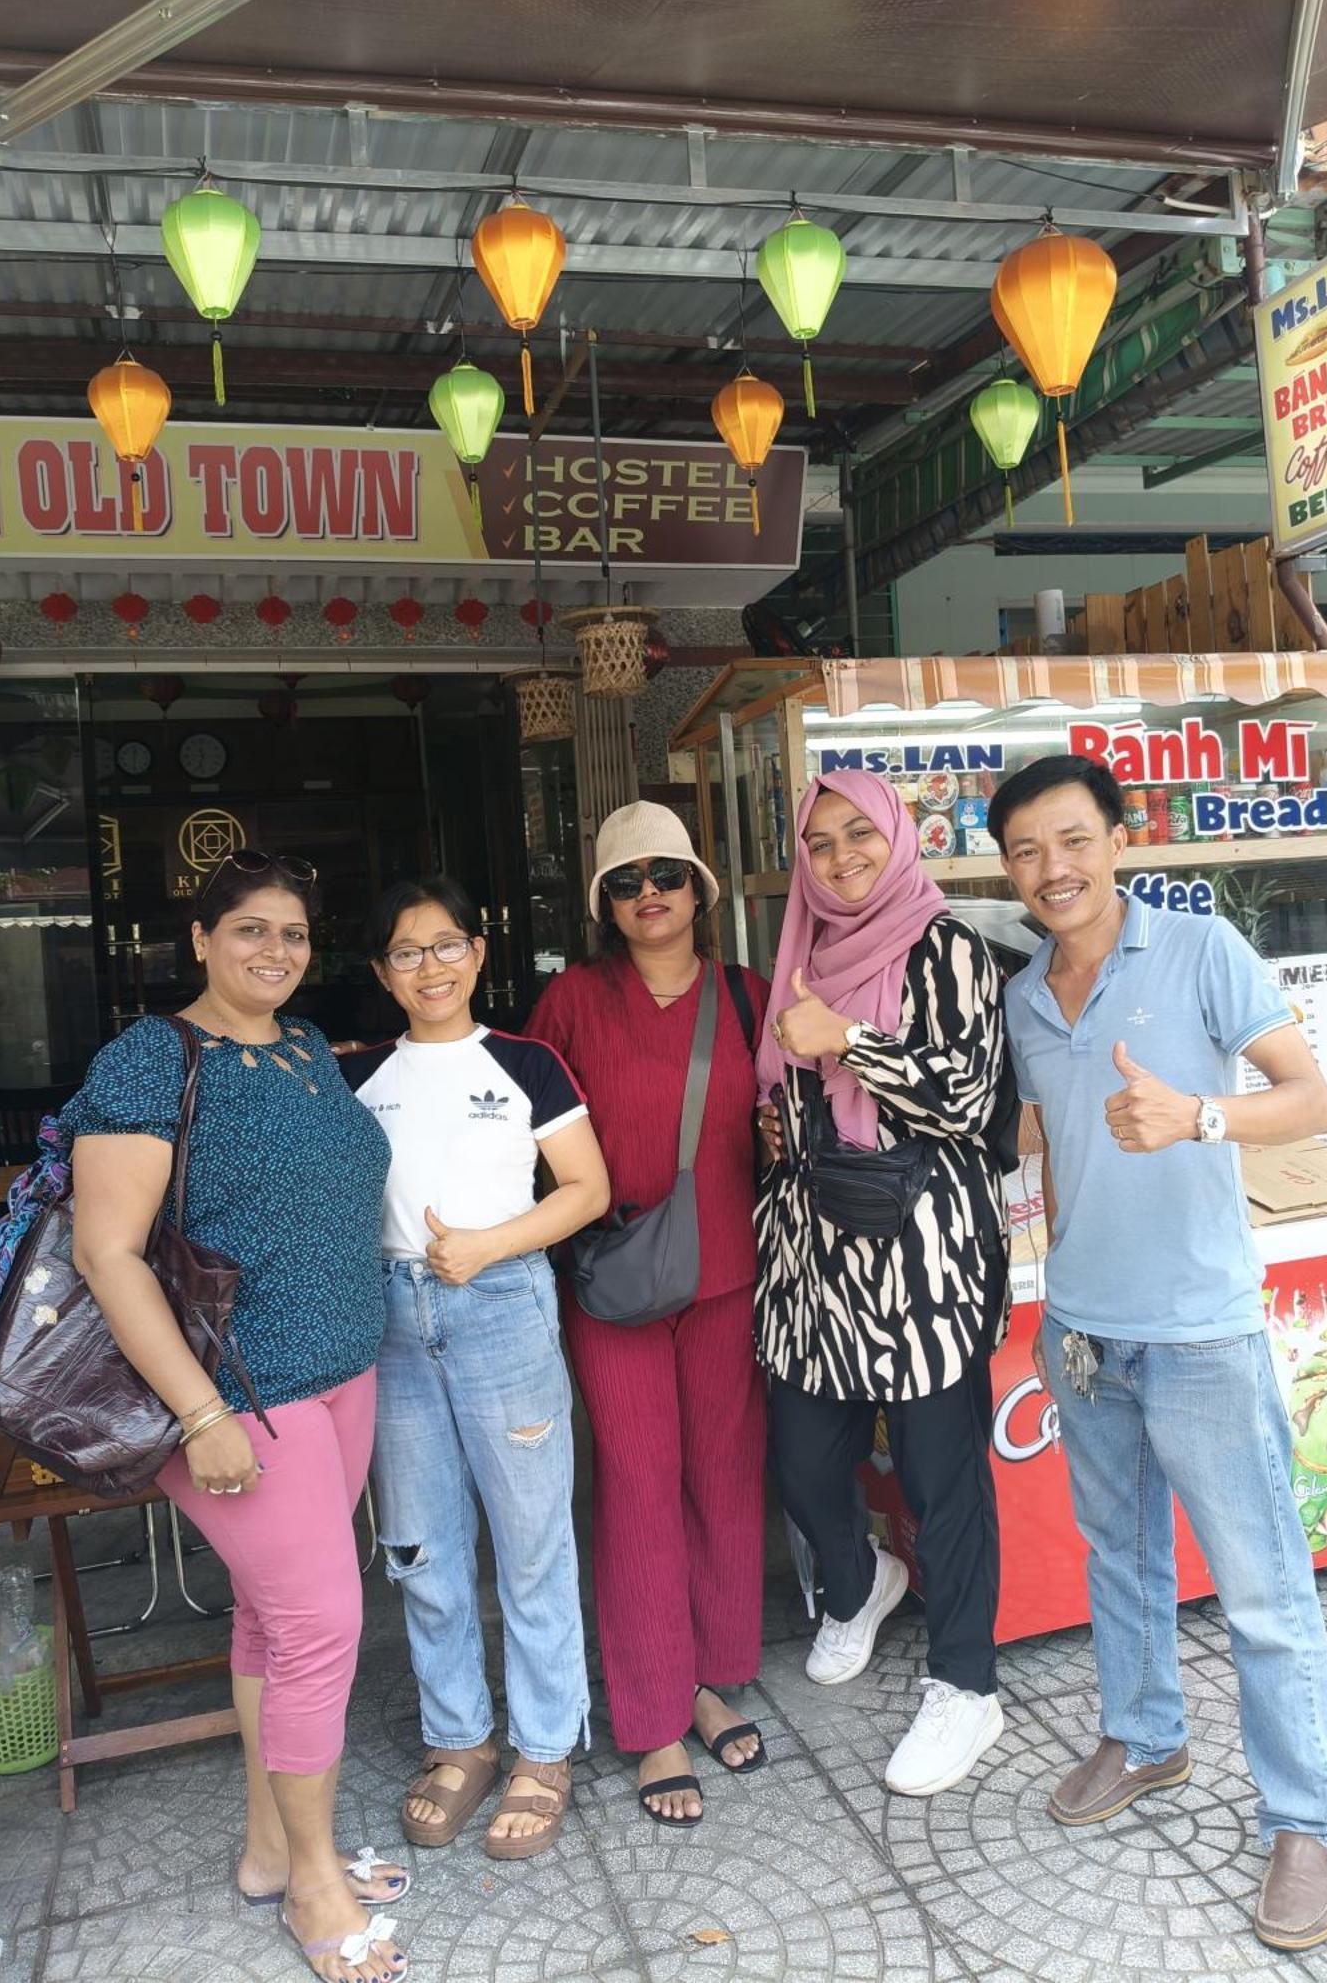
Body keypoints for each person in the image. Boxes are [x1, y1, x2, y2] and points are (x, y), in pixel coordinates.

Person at [989, 753, 1327, 1953]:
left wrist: (1199, 1114)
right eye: (1029, 849)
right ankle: (1146, 1736)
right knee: (1119, 1556)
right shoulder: (1025, 995)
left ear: (1118, 841)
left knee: (1258, 1583)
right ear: (1007, 867)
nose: (1055, 868)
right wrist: (1044, 1293)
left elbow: (1313, 1097)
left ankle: (1309, 1817)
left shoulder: (1200, 949)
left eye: (1074, 839)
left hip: (1201, 1328)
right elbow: (1049, 1158)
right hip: (1085, 1327)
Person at [66, 851, 408, 1983]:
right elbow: (106, 1252)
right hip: (242, 1396)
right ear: (202, 937)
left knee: (274, 1619)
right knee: (321, 1627)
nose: (276, 951)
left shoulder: (306, 1048)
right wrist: (201, 1411)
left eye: (296, 934)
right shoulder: (150, 1059)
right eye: (251, 930)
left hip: (343, 1375)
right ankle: (313, 1877)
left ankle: (272, 1846)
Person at [755, 771, 1014, 1799]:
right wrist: (775, 1118)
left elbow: (967, 1091)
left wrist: (847, 1042)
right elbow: (779, 1080)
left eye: (861, 833)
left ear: (901, 836)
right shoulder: (803, 948)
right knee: (802, 1460)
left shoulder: (943, 942)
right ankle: (859, 1584)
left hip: (921, 1259)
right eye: (819, 843)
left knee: (939, 1474)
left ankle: (967, 1681)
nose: (841, 856)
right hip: (813, 1255)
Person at [341, 877, 608, 1861]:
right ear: (382, 971)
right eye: (407, 952)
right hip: (394, 1321)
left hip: (500, 1309)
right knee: (421, 1546)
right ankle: (459, 1738)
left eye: (446, 944)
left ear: (480, 951)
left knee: (533, 1540)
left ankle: (545, 1745)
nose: (431, 966)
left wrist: (489, 1245)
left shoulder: (529, 1063)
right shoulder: (357, 1075)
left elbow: (588, 1187)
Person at [526, 801, 770, 1827]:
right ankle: (654, 1714)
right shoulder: (572, 1000)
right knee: (634, 1484)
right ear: (604, 904)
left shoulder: (748, 996)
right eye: (627, 882)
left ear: (700, 889)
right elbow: (523, 1125)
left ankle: (712, 1675)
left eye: (667, 873)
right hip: (618, 1282)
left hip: (730, 1274)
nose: (649, 893)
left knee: (723, 1476)